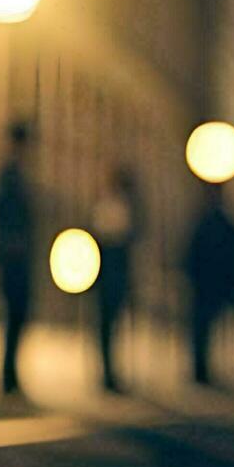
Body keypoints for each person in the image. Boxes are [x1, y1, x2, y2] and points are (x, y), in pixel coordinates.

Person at [183, 184, 234, 386]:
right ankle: (202, 371)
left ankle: (210, 371)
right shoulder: (210, 224)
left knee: (213, 330)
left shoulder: (217, 224)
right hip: (207, 286)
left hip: (214, 286)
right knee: (203, 330)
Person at [0, 122, 36, 396]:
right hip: (13, 257)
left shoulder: (16, 174)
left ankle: (11, 372)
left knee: (18, 315)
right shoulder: (10, 174)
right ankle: (8, 374)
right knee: (14, 314)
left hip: (17, 255)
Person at [92, 166, 142, 392]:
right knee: (107, 325)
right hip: (110, 273)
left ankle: (110, 372)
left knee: (111, 324)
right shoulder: (112, 208)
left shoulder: (116, 207)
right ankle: (107, 372)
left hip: (114, 273)